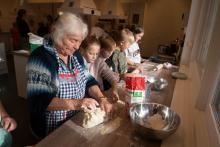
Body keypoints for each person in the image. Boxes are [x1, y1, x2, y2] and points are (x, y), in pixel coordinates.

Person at [26, 12, 113, 138]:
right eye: (73, 40)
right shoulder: (41, 58)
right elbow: (38, 101)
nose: (77, 46)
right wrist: (78, 103)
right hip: (50, 129)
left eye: (80, 41)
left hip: (74, 120)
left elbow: (88, 80)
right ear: (57, 33)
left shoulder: (75, 55)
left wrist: (102, 98)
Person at [80, 36, 119, 102]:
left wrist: (114, 90)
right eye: (91, 53)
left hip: (99, 95)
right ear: (82, 51)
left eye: (97, 54)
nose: (94, 57)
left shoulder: (99, 61)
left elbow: (111, 77)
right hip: (86, 99)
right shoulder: (78, 63)